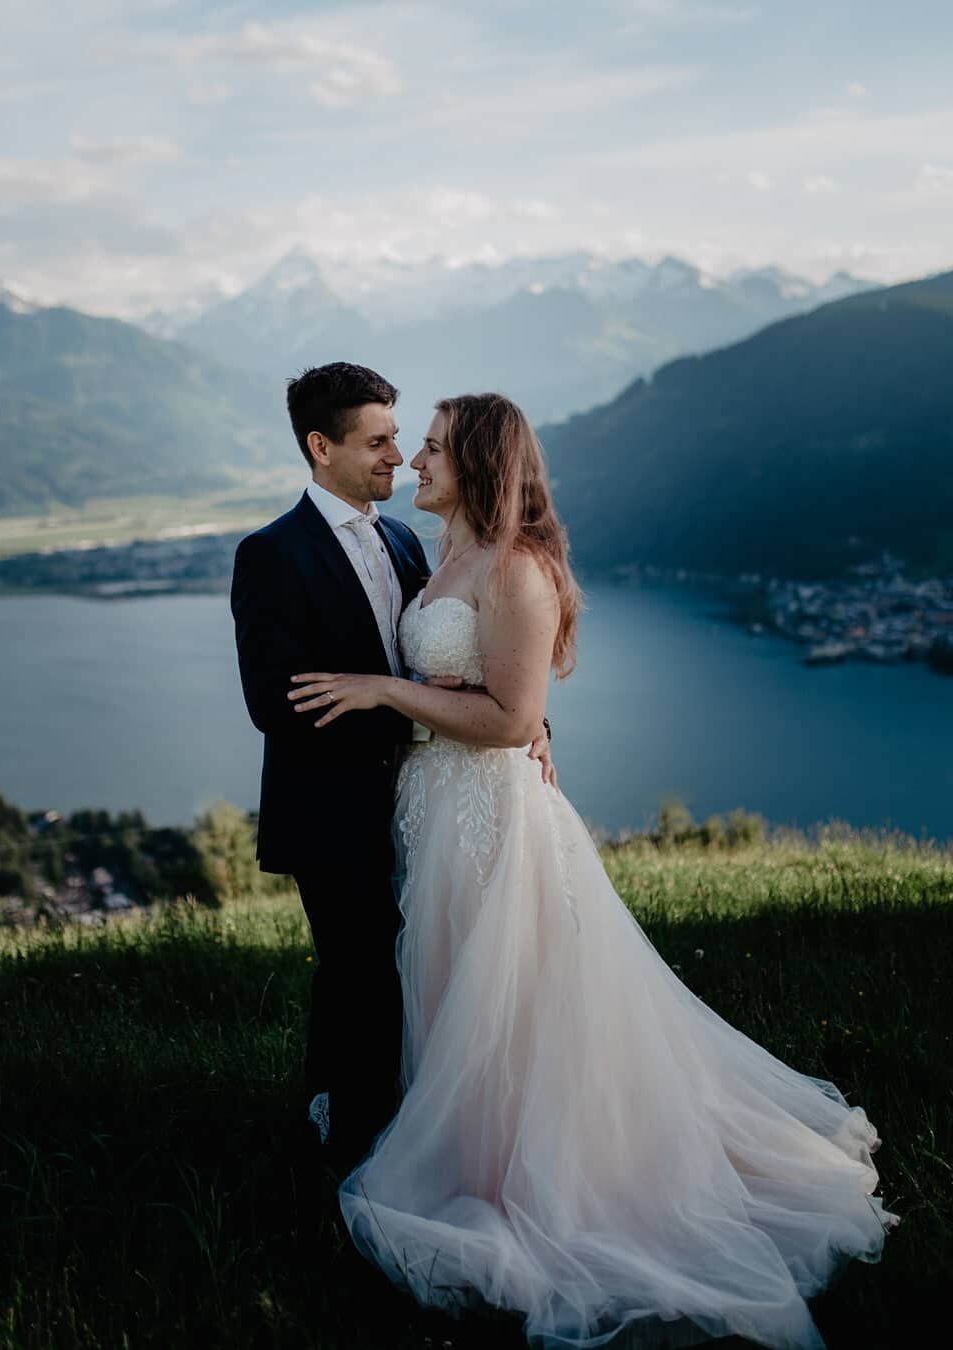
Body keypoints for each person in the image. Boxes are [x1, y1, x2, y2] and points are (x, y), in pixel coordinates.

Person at [287, 392, 898, 1350]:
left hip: (493, 823)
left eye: (435, 448)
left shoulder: (519, 571)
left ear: (481, 464)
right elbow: (483, 689)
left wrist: (386, 690)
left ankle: (534, 1177)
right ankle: (469, 1146)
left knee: (515, 999)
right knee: (455, 994)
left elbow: (511, 719)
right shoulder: (435, 552)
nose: (415, 462)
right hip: (437, 812)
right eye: (415, 446)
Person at [229, 364, 550, 1172]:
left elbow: (480, 660)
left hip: (429, 800)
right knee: (359, 974)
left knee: (422, 971)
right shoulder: (271, 555)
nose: (398, 457)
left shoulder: (408, 540)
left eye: (404, 439)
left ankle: (418, 1134)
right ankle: (339, 1131)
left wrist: (527, 719)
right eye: (378, 441)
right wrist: (398, 705)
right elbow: (276, 702)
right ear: (320, 446)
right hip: (333, 810)